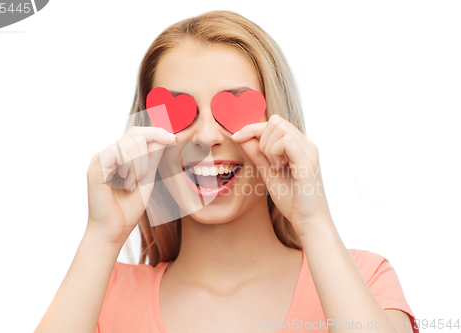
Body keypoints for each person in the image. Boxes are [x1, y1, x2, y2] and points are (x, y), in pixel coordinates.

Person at [34, 11, 418, 333]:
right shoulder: (102, 293)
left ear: (277, 126)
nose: (205, 136)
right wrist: (102, 236)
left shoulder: (365, 278)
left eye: (233, 109)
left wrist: (313, 221)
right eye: (180, 113)